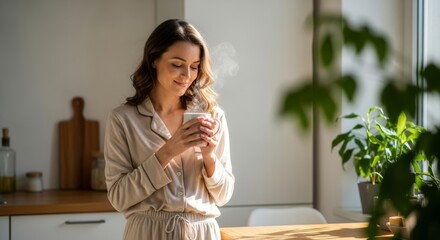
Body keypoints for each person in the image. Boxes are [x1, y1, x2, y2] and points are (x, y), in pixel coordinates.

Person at [104, 19, 235, 240]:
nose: (187, 75)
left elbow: (223, 196)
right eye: (177, 64)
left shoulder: (212, 116)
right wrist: (169, 150)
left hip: (202, 233)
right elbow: (119, 197)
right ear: (154, 60)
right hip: (147, 233)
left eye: (194, 66)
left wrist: (210, 158)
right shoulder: (123, 119)